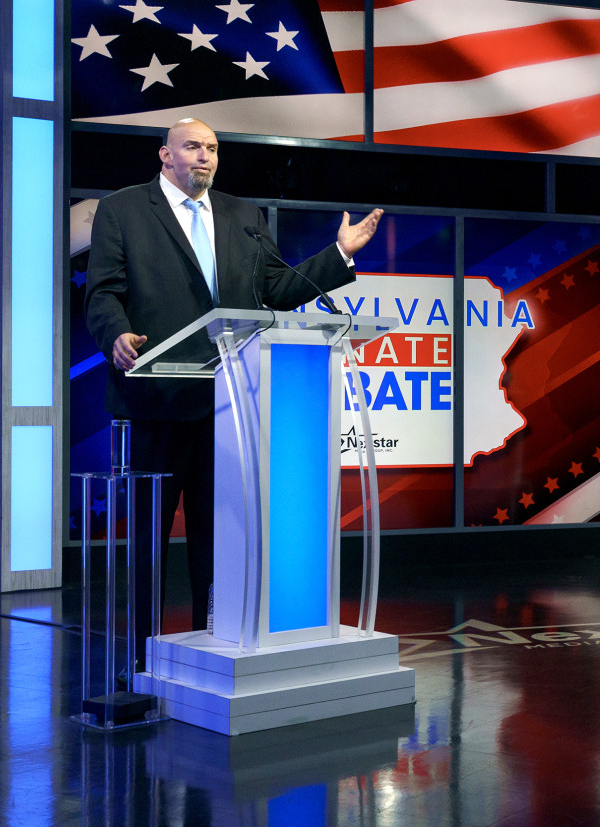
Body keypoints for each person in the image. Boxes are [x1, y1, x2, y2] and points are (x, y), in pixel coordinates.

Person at [84, 118, 383, 660]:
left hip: (230, 404)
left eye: (213, 149)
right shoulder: (124, 210)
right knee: (148, 542)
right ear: (164, 156)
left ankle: (210, 645)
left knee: (218, 540)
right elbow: (103, 292)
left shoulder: (242, 216)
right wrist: (116, 336)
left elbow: (278, 288)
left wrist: (337, 255)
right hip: (155, 400)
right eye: (193, 147)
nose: (205, 156)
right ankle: (138, 655)